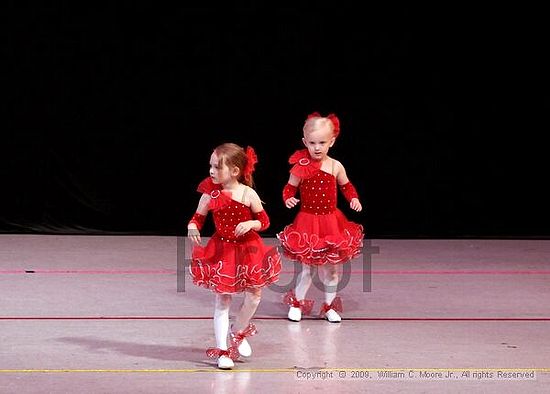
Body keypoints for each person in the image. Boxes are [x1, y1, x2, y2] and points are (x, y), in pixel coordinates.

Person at [187, 143, 281, 369]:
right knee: (223, 299)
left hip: (248, 249)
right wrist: (192, 225)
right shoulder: (211, 194)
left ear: (235, 171)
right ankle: (223, 351)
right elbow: (198, 217)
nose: (211, 171)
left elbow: (265, 221)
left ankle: (238, 330)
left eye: (217, 167)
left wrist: (251, 222)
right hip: (223, 250)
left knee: (254, 295)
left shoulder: (248, 193)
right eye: (210, 166)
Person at [277, 112, 364, 323]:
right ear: (304, 142)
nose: (317, 147)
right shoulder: (301, 167)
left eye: (322, 142)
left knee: (332, 271)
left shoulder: (335, 166)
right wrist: (288, 199)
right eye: (312, 143)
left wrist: (354, 198)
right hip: (308, 222)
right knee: (308, 269)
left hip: (331, 222)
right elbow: (289, 188)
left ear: (331, 142)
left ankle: (328, 307)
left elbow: (346, 186)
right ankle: (297, 303)